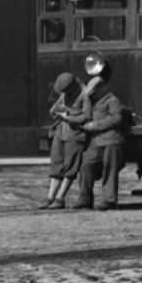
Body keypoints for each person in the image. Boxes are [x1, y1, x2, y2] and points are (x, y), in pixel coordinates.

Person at [76, 59, 126, 211]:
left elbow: (117, 118)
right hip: (97, 141)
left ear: (102, 88)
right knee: (86, 166)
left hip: (111, 140)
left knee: (109, 169)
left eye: (94, 92)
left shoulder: (113, 101)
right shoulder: (93, 102)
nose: (91, 96)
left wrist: (96, 125)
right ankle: (84, 199)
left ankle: (109, 200)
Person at [41, 71, 90, 209]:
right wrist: (54, 110)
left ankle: (60, 198)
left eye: (64, 91)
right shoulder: (66, 93)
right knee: (56, 165)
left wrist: (67, 117)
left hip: (75, 134)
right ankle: (50, 197)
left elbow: (86, 118)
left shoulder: (85, 94)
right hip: (61, 132)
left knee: (70, 167)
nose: (63, 93)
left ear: (72, 87)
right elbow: (58, 104)